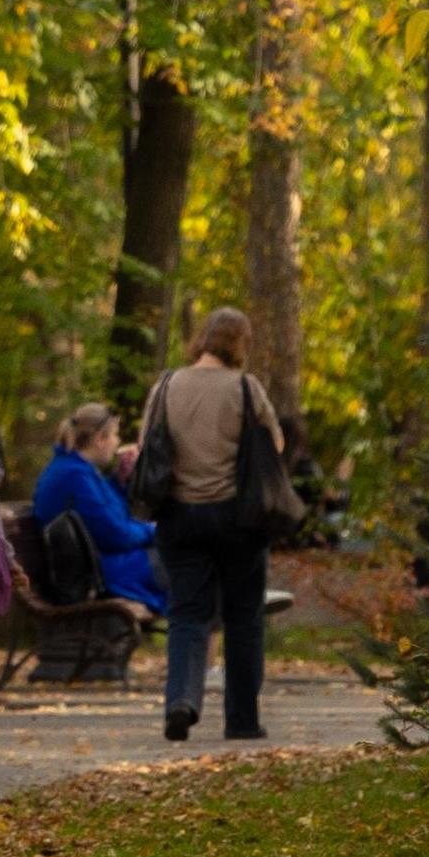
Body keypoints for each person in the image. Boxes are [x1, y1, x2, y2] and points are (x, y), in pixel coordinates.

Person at [139, 305, 296, 743]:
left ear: (202, 339)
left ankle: (182, 702)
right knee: (243, 616)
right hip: (237, 518)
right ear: (240, 342)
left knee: (187, 613)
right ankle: (242, 720)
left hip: (179, 516)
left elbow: (146, 444)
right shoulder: (246, 389)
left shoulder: (167, 385)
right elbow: (276, 445)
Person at [29, 403, 166, 610]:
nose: (117, 442)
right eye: (114, 435)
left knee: (190, 559)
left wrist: (121, 481)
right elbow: (115, 534)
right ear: (100, 439)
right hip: (104, 573)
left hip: (103, 565)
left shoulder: (76, 470)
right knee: (193, 564)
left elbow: (108, 516)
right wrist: (155, 532)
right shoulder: (75, 476)